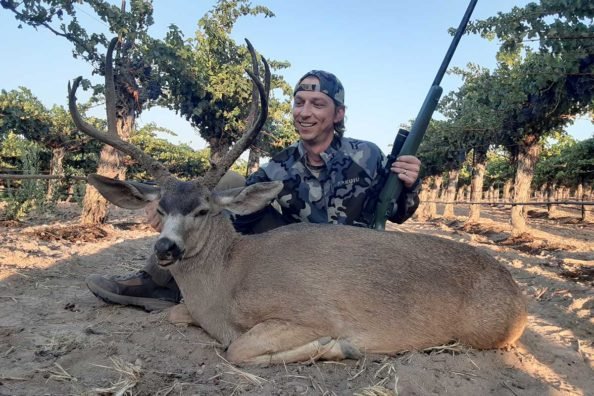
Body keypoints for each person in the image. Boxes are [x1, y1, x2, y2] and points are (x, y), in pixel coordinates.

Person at [86, 70, 422, 311]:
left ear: (338, 114)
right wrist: (170, 210)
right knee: (227, 184)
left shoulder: (368, 155)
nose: (305, 112)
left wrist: (409, 185)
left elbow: (398, 213)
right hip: (295, 252)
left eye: (318, 104)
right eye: (299, 102)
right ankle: (157, 281)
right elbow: (217, 204)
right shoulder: (280, 165)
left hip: (351, 259)